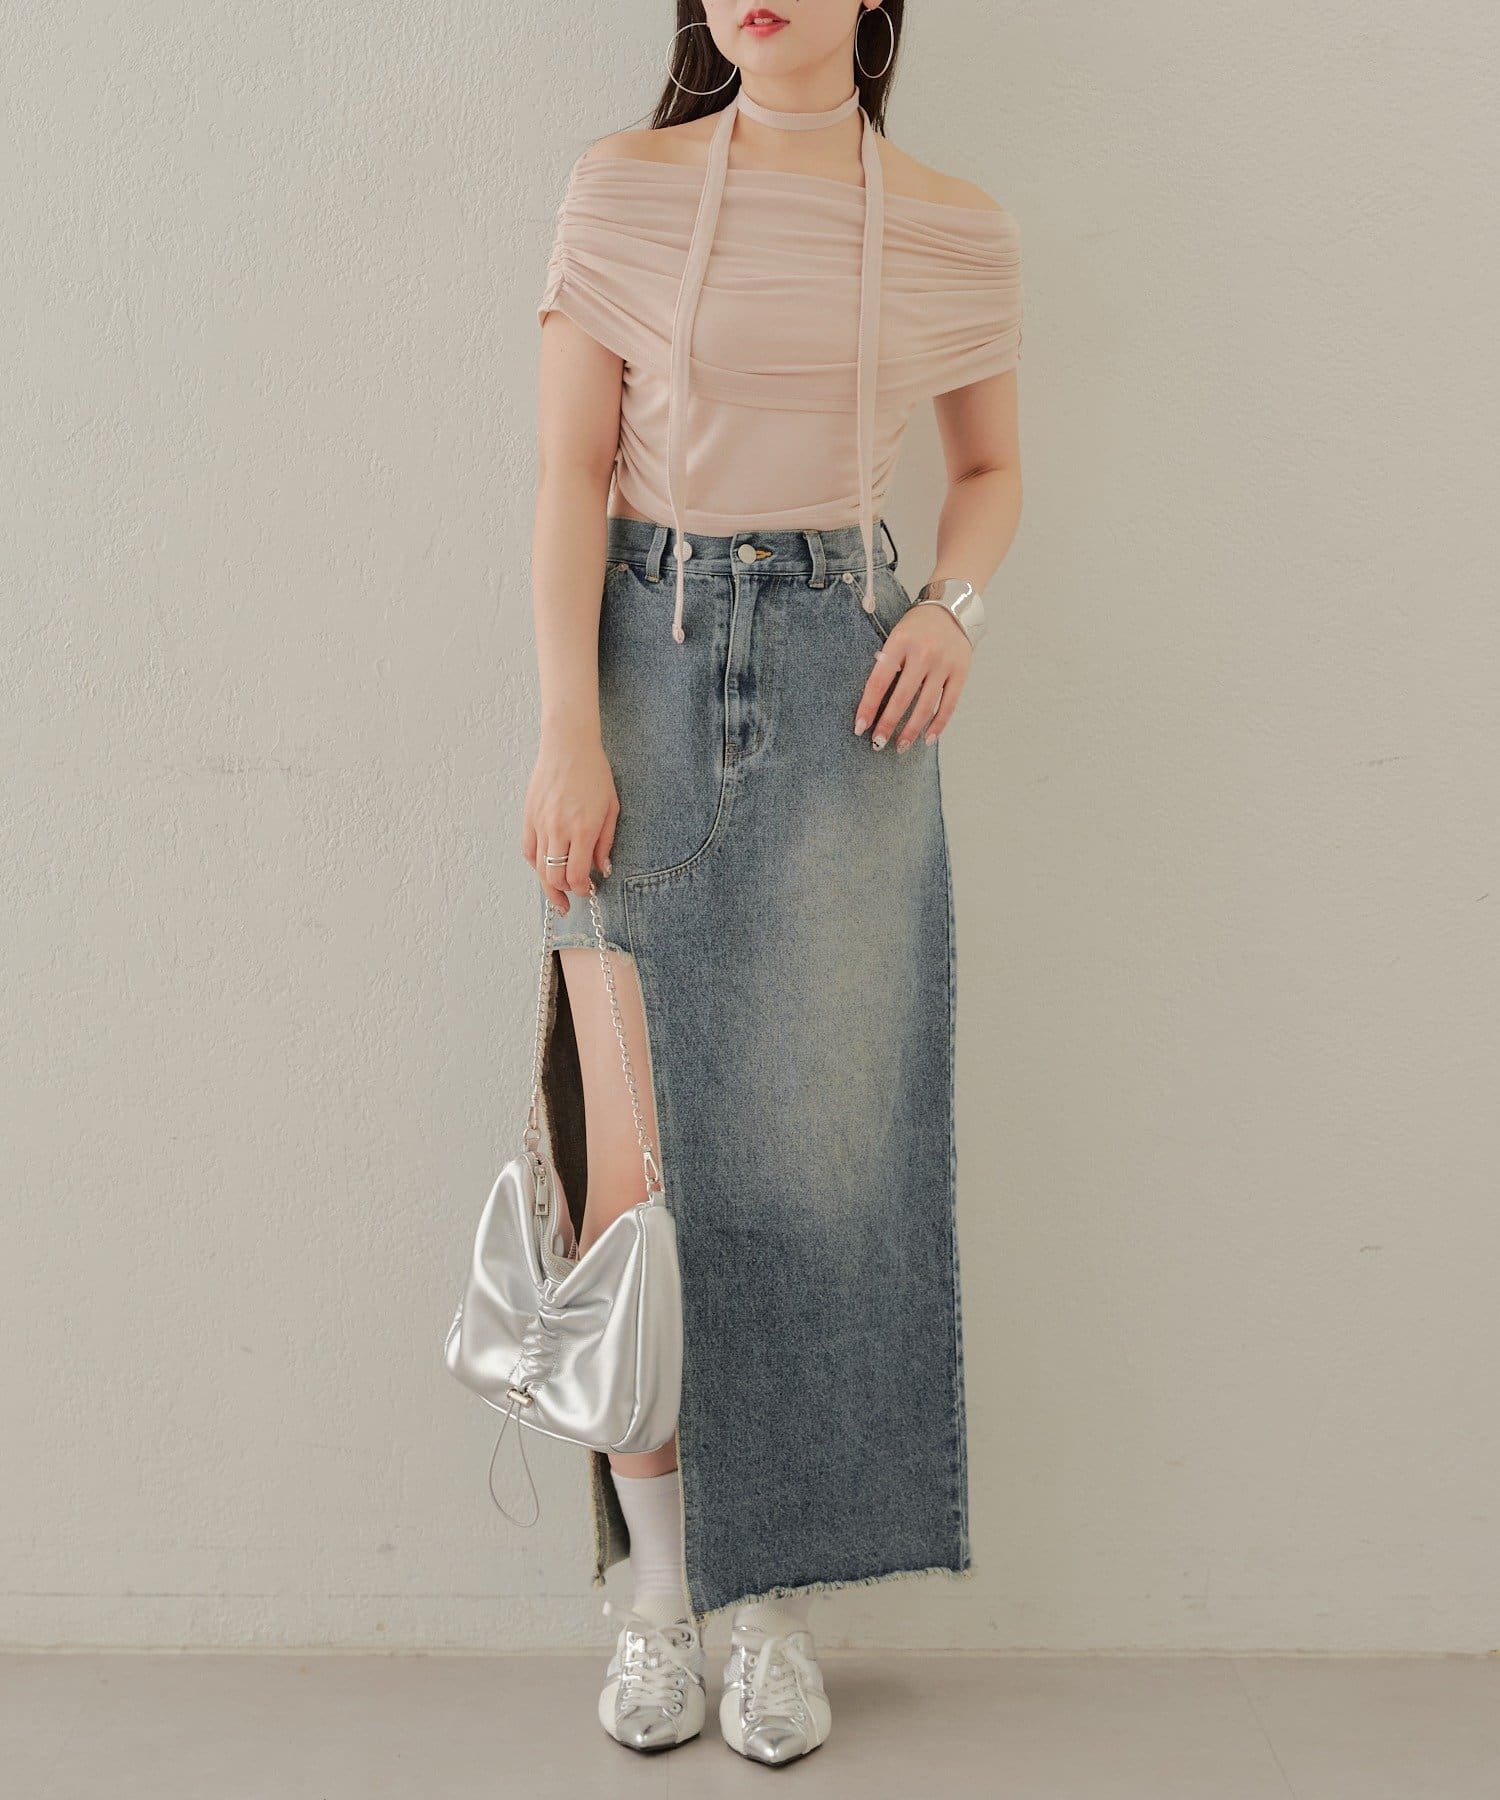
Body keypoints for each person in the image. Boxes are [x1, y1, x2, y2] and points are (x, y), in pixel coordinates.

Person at [523, 0, 1023, 1766]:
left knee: (815, 1173)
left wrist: (953, 610)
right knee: (634, 1182)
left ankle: (772, 1613)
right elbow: (569, 472)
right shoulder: (623, 186)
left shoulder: (951, 222)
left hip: (841, 690)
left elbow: (989, 468)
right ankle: (660, 1599)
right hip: (643, 676)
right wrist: (567, 731)